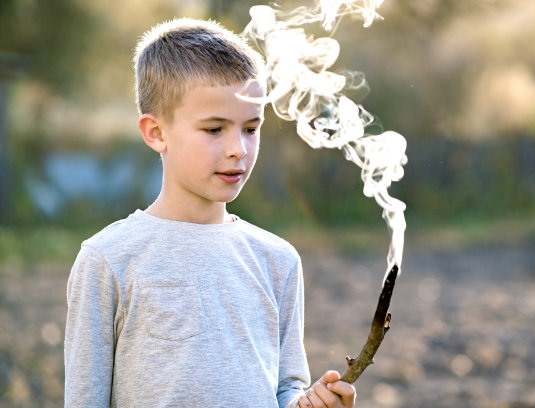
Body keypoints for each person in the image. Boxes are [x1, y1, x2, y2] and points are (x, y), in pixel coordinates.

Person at [63, 17, 356, 408]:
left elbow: (286, 389)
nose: (238, 148)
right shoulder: (109, 260)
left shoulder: (277, 261)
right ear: (156, 133)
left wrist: (309, 404)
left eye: (251, 129)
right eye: (214, 129)